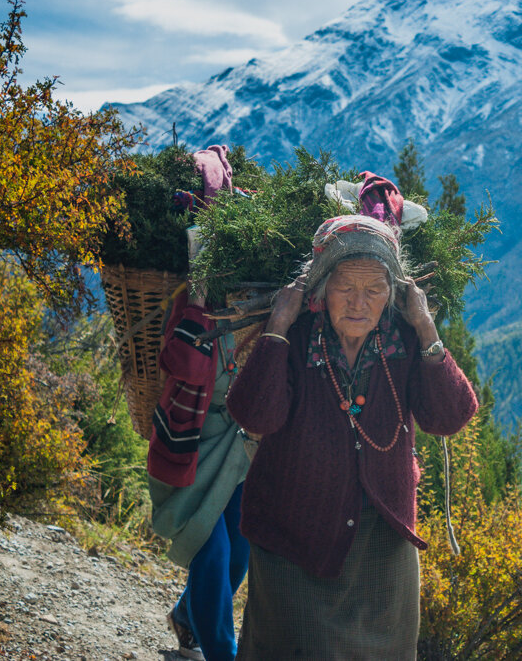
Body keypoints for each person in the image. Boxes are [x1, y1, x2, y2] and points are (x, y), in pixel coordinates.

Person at [226, 215, 479, 659]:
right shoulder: (297, 337)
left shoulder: (403, 339)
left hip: (384, 539)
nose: (359, 303)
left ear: (393, 294)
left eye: (375, 290)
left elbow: (450, 416)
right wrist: (278, 326)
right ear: (322, 289)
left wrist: (426, 327)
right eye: (346, 288)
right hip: (294, 537)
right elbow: (255, 415)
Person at [146, 242, 252, 661]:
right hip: (188, 445)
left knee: (238, 556)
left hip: (238, 452)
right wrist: (198, 298)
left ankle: (188, 615)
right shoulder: (193, 307)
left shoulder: (264, 315)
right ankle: (222, 655)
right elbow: (185, 365)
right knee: (214, 553)